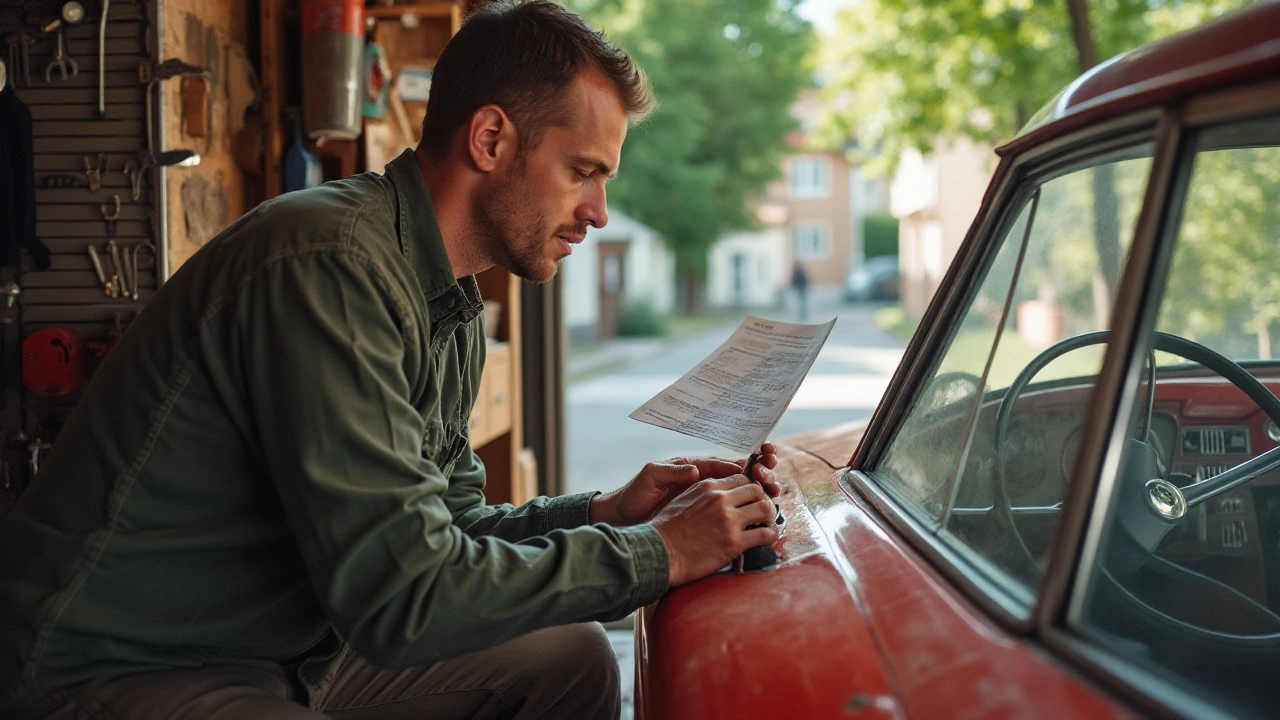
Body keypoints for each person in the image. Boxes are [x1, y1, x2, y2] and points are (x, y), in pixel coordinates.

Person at [0, 3, 781, 719]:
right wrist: (661, 552)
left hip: (290, 646)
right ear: (490, 139)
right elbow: (402, 596)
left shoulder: (450, 302)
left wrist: (606, 514)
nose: (598, 213)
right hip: (119, 666)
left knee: (567, 661)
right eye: (582, 172)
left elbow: (449, 527)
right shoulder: (329, 266)